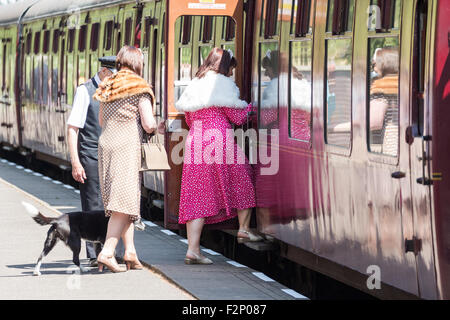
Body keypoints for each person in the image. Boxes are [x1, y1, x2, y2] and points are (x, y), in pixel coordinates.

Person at [175, 47, 262, 265]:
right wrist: (254, 108)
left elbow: (188, 118)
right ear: (225, 67)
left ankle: (193, 250)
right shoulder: (222, 85)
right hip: (219, 139)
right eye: (231, 69)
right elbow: (238, 116)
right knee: (243, 178)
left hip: (196, 141)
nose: (231, 74)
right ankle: (243, 228)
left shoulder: (195, 84)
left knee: (198, 194)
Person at [93, 46, 157, 272]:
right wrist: (155, 126)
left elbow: (101, 120)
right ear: (138, 63)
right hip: (125, 147)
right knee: (123, 204)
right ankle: (108, 252)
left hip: (106, 145)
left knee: (125, 200)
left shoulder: (108, 84)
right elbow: (149, 123)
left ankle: (130, 252)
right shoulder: (139, 87)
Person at [67, 57, 116, 266]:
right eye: (115, 74)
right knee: (93, 208)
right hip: (91, 157)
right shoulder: (84, 91)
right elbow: (73, 128)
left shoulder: (116, 90)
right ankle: (93, 256)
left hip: (113, 157)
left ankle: (111, 251)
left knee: (114, 207)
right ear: (105, 71)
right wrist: (75, 162)